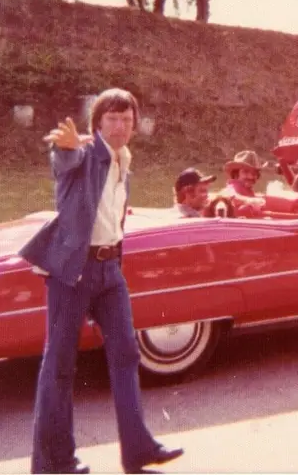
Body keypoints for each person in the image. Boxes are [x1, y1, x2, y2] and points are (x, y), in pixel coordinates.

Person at [19, 89, 184, 474]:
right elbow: (66, 160)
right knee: (59, 365)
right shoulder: (85, 154)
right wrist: (64, 148)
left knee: (127, 354)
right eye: (112, 119)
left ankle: (138, 449)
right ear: (97, 123)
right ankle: (53, 462)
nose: (120, 126)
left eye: (127, 119)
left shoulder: (123, 160)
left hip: (110, 272)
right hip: (73, 274)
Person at [221, 150, 266, 216]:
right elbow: (228, 194)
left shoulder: (247, 188)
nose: (250, 177)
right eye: (245, 172)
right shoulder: (234, 185)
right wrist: (251, 201)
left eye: (254, 173)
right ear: (236, 174)